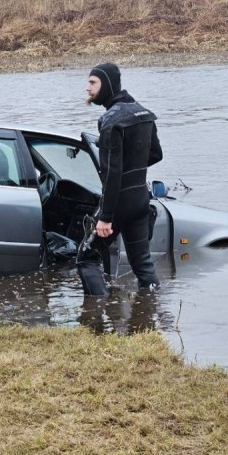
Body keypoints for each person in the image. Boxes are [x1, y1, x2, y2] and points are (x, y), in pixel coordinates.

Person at [77, 62, 163, 295]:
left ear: (108, 84)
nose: (88, 88)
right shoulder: (143, 113)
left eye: (93, 82)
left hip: (118, 204)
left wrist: (105, 217)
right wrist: (133, 169)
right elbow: (156, 154)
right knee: (142, 264)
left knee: (86, 258)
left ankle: (98, 315)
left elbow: (112, 173)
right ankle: (149, 310)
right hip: (140, 199)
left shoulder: (111, 121)